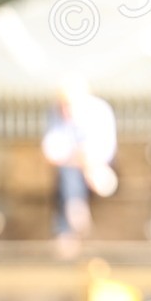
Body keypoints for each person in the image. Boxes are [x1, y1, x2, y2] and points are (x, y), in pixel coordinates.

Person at [40, 75, 117, 257]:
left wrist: (86, 161)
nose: (66, 110)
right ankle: (75, 218)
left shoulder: (100, 111)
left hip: (100, 165)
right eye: (63, 105)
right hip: (72, 169)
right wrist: (80, 158)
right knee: (69, 176)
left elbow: (105, 150)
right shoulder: (56, 112)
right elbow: (51, 151)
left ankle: (69, 227)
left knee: (78, 177)